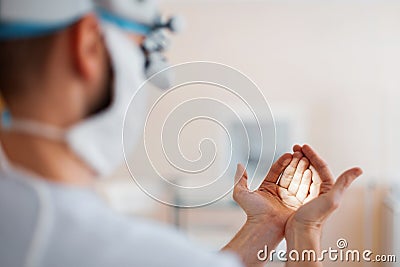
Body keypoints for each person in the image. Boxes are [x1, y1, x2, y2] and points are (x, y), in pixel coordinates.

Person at [0, 0, 362, 266]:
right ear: (89, 45)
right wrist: (306, 234)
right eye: (143, 52)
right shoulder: (103, 247)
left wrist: (266, 225)